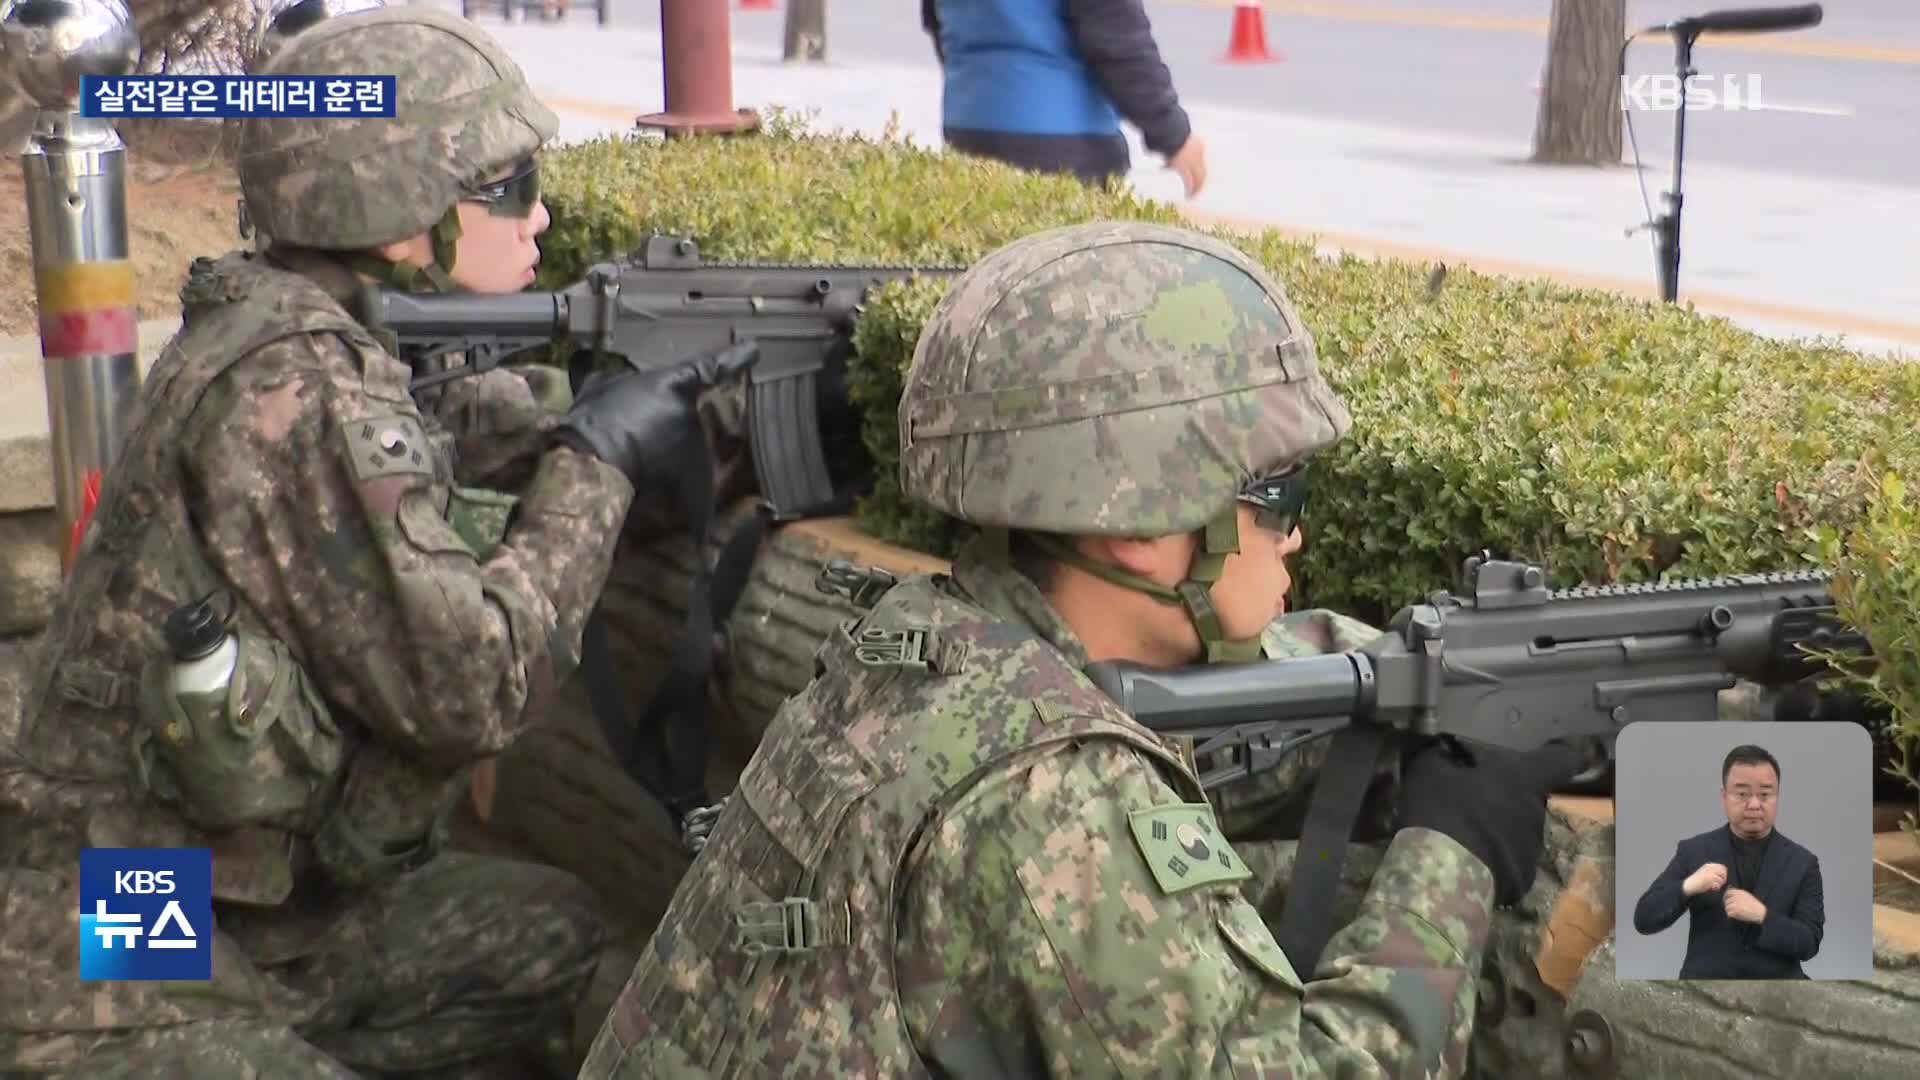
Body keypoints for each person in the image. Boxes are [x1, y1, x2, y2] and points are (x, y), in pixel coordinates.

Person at [577, 220, 1586, 1077]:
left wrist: (1428, 681)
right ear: (1140, 522)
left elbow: (1214, 717)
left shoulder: (935, 643)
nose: (1296, 534)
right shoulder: (1042, 795)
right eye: (1277, 494)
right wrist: (1451, 850)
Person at [0, 8, 747, 1077]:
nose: (535, 214)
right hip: (121, 939)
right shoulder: (301, 393)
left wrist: (678, 419)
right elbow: (475, 685)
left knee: (554, 939)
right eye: (506, 184)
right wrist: (600, 464)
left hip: (249, 907)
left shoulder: (290, 332)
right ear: (404, 215)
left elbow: (456, 440)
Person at [920, 0, 1208, 196]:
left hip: (968, 124)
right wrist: (1173, 134)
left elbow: (937, 19)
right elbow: (1119, 43)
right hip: (1062, 144)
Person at [1631, 744, 1825, 979]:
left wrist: (1762, 915)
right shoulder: (1695, 851)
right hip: (1705, 987)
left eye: (1765, 794)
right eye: (1742, 794)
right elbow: (1644, 919)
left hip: (1778, 992)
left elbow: (1809, 944)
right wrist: (1689, 886)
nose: (1754, 804)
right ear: (1724, 796)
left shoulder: (1803, 862)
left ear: (1777, 796)